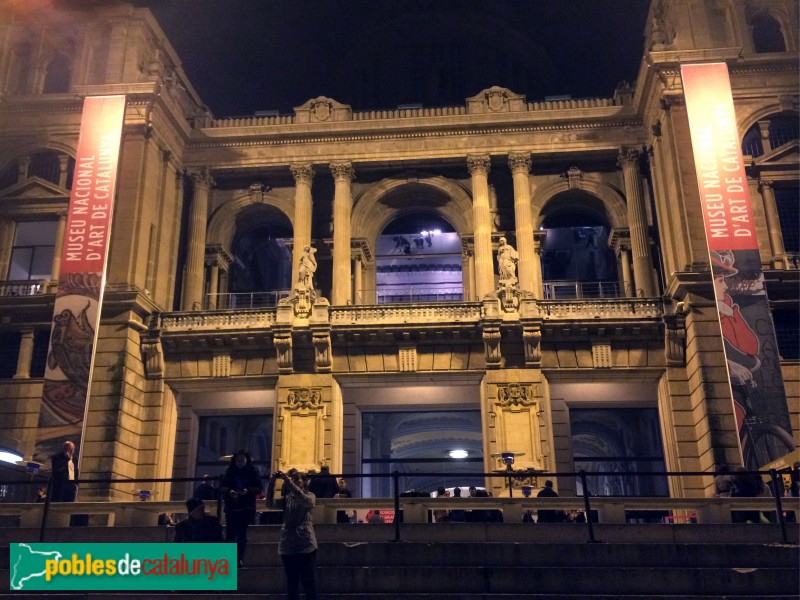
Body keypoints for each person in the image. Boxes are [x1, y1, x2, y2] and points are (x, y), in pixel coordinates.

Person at [267, 469, 318, 600]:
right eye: (292, 479)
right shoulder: (286, 499)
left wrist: (289, 483)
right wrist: (272, 483)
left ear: (305, 482)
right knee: (292, 582)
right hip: (288, 544)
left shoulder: (310, 495)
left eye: (297, 479)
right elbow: (269, 504)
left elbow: (305, 501)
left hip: (305, 543)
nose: (293, 481)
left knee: (308, 581)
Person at [221, 450, 262, 566]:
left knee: (241, 534)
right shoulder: (229, 472)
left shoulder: (253, 472)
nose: (240, 463)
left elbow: (258, 488)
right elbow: (222, 487)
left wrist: (247, 491)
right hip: (232, 507)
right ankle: (229, 559)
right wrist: (230, 492)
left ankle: (239, 558)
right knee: (230, 534)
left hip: (245, 507)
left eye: (242, 460)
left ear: (246, 460)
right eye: (238, 460)